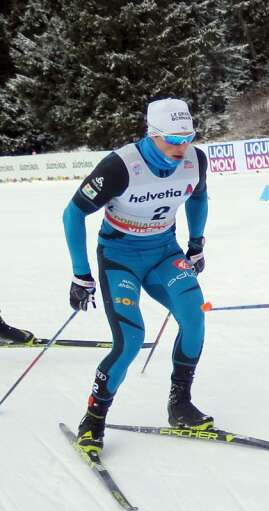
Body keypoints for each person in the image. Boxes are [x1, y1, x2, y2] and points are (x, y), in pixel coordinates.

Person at [63, 97, 211, 457]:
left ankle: (180, 403)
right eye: (172, 140)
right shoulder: (120, 166)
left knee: (193, 319)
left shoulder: (196, 160)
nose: (182, 147)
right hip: (120, 258)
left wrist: (196, 242)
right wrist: (81, 274)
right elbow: (72, 214)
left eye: (187, 137)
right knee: (130, 340)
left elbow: (198, 198)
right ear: (152, 133)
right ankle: (93, 421)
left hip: (164, 253)